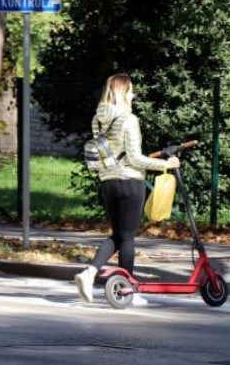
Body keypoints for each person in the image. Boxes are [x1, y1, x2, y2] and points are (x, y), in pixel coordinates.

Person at [74, 73, 179, 305]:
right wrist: (166, 164)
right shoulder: (129, 119)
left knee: (118, 235)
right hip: (131, 181)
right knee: (128, 238)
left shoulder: (97, 119)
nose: (134, 94)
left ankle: (89, 273)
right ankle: (129, 291)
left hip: (108, 181)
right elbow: (135, 158)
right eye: (131, 90)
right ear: (123, 92)